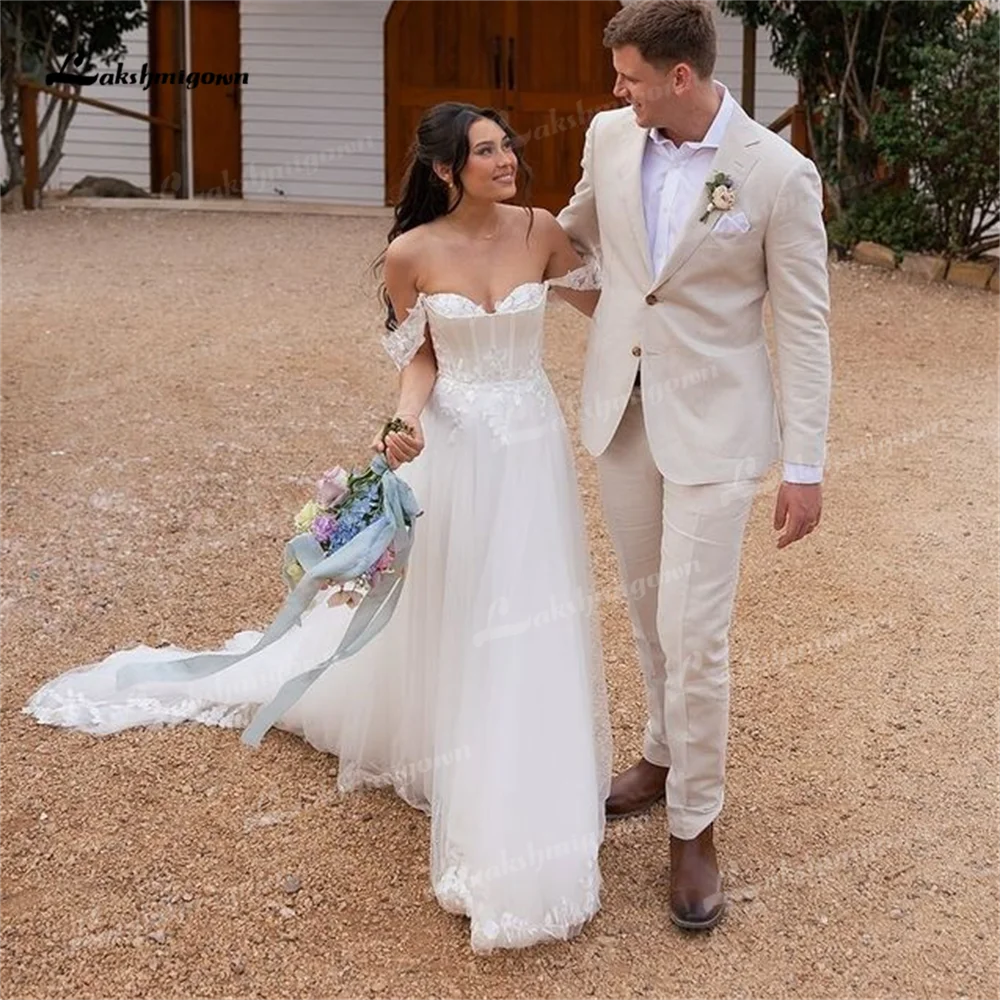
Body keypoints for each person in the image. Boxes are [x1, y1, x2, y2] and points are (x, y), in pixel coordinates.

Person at [23, 101, 613, 955]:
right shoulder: (409, 256)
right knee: (460, 597)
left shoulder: (543, 230)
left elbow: (611, 304)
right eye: (486, 152)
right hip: (456, 446)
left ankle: (530, 764)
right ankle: (467, 763)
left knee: (529, 599)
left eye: (507, 146)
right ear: (447, 169)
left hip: (530, 444)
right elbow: (422, 356)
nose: (508, 160)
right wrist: (401, 422)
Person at [556, 0, 831, 931]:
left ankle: (694, 825)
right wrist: (464, 263)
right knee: (645, 609)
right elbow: (575, 237)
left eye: (629, 75)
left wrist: (806, 463)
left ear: (681, 77)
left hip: (720, 431)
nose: (614, 90)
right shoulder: (607, 135)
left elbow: (802, 324)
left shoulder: (779, 175)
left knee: (697, 630)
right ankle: (662, 750)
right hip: (621, 413)